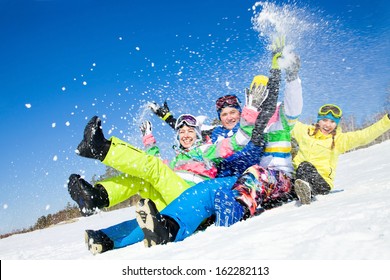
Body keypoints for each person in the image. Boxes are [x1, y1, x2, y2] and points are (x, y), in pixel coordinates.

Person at [133, 48, 304, 247]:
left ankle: (222, 224)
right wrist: (165, 116)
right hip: (225, 183)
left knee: (250, 176)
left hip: (253, 177)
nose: (229, 117)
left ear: (243, 111)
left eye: (233, 112)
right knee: (205, 191)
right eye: (224, 114)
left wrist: (289, 75)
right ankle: (170, 227)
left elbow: (284, 105)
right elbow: (188, 132)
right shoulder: (215, 132)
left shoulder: (257, 127)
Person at [291, 104, 390, 204]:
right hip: (297, 179)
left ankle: (307, 193)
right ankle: (289, 194)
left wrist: (387, 121)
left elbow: (364, 136)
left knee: (305, 166)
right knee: (281, 177)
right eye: (325, 120)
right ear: (319, 120)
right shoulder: (305, 132)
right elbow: (288, 121)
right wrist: (279, 105)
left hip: (321, 183)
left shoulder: (339, 140)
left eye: (333, 122)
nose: (328, 125)